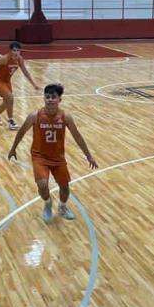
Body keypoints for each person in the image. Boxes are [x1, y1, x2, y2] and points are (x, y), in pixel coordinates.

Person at [8, 84, 98, 221]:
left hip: (58, 158)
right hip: (40, 157)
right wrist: (13, 148)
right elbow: (21, 132)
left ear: (59, 99)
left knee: (65, 188)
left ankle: (62, 207)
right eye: (47, 96)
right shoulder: (35, 115)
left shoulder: (65, 117)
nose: (50, 99)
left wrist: (89, 156)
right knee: (42, 185)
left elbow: (77, 136)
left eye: (53, 97)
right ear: (44, 98)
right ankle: (48, 203)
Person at [0, 41, 40, 130]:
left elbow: (25, 72)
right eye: (14, 50)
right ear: (10, 51)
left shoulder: (20, 59)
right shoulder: (4, 59)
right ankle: (11, 121)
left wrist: (34, 84)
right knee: (10, 98)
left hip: (7, 81)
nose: (16, 52)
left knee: (7, 102)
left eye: (18, 50)